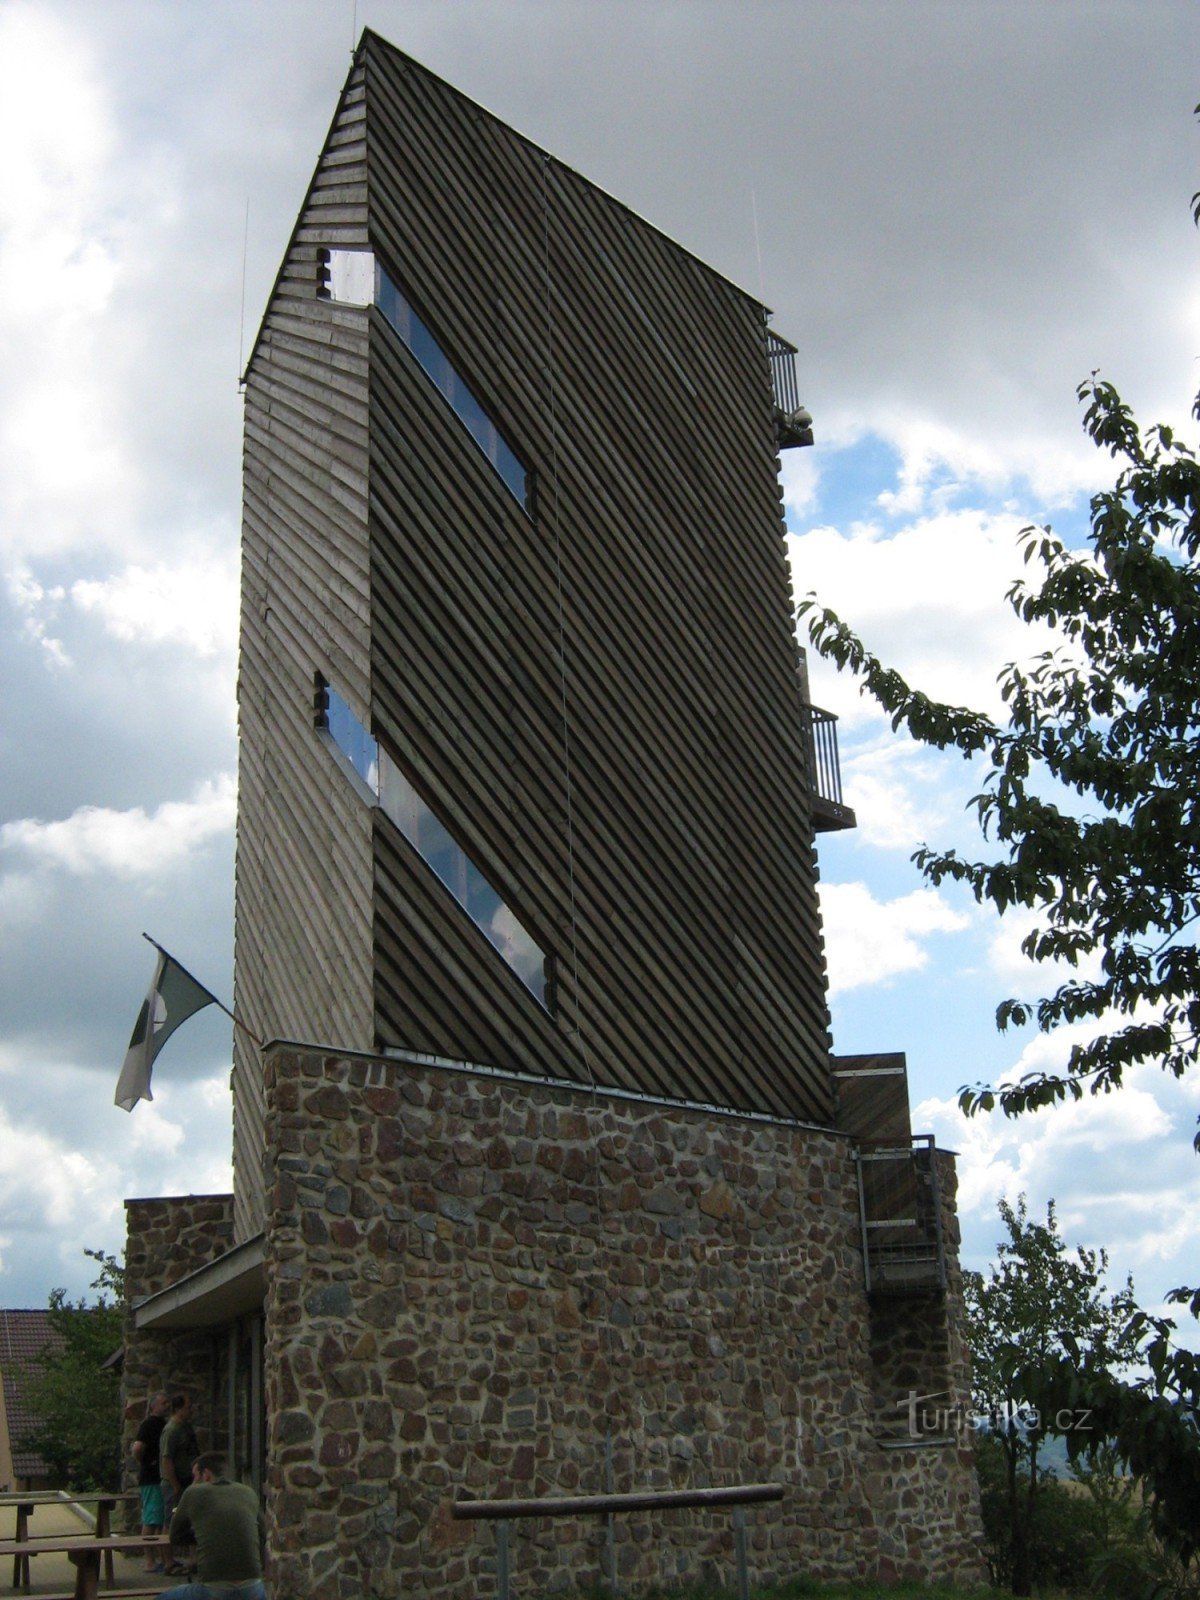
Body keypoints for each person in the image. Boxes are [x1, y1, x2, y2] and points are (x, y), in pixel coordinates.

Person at [160, 1451, 266, 1600]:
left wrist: (202, 1537)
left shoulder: (193, 1493)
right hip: (253, 1585)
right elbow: (263, 1532)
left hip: (214, 1587)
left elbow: (175, 1536)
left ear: (206, 1475)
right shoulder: (248, 1492)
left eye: (195, 1476)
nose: (193, 1482)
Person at [131, 1389, 170, 1573]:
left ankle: (161, 1559)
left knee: (159, 1519)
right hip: (152, 1478)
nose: (167, 1406)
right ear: (154, 1405)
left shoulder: (163, 1424)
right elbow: (138, 1448)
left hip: (159, 1477)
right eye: (163, 1403)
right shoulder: (149, 1425)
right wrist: (146, 1463)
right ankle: (149, 1561)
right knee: (151, 1519)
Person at [161, 1393, 200, 1573]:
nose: (190, 1410)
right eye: (187, 1407)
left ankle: (194, 1560)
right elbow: (167, 1459)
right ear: (178, 1409)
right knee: (171, 1520)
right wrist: (174, 1483)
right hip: (175, 1483)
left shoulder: (186, 1428)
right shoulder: (172, 1430)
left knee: (192, 1519)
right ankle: (168, 1561)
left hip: (189, 1480)